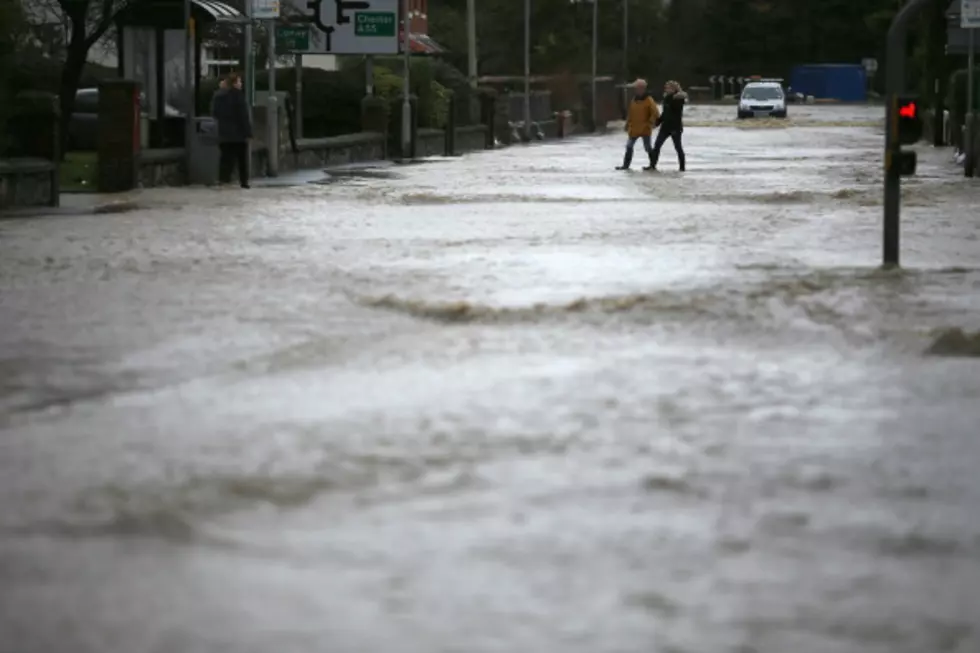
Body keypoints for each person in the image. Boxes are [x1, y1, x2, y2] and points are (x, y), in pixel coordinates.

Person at [211, 73, 252, 188]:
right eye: (239, 82)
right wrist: (248, 132)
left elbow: (214, 113)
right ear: (234, 83)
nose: (241, 84)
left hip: (224, 133)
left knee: (225, 158)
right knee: (241, 159)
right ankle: (243, 182)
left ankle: (223, 179)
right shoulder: (239, 96)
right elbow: (243, 116)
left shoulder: (219, 96)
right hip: (238, 135)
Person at [616, 78, 660, 171]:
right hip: (634, 128)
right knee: (629, 146)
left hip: (645, 128)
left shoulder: (649, 100)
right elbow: (631, 113)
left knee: (647, 148)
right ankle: (625, 165)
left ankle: (652, 165)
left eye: (638, 87)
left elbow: (655, 112)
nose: (636, 89)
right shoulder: (634, 100)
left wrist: (651, 122)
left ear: (643, 88)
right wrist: (627, 124)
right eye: (636, 88)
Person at [649, 80, 687, 172]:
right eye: (666, 87)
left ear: (674, 89)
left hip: (675, 127)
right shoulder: (666, 98)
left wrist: (674, 98)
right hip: (665, 127)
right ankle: (652, 165)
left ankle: (682, 167)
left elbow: (676, 113)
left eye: (669, 87)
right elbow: (665, 113)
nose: (666, 89)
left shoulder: (678, 99)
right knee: (657, 145)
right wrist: (658, 122)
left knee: (678, 147)